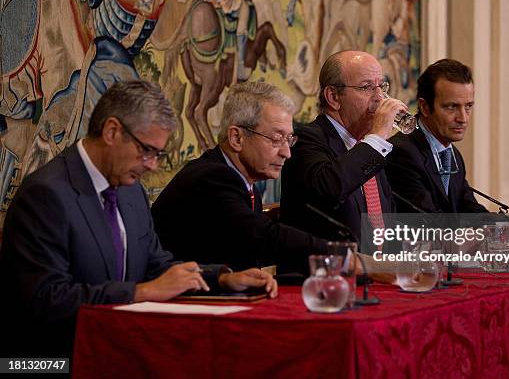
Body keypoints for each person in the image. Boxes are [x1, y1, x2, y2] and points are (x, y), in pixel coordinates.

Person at [0, 81, 276, 357]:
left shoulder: (131, 191)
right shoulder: (45, 195)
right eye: (147, 151)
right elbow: (47, 299)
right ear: (112, 131)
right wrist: (141, 292)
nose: (153, 165)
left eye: (158, 154)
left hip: (122, 349)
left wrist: (223, 279)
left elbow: (157, 265)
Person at [152, 81, 328, 274]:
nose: (287, 153)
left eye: (289, 139)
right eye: (277, 139)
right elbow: (263, 236)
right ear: (237, 138)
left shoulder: (245, 183)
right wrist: (335, 254)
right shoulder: (211, 178)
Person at [386, 59, 509, 217]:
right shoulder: (402, 153)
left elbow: (471, 213)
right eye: (452, 107)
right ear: (425, 107)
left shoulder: (451, 153)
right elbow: (431, 225)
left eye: (468, 106)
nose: (463, 118)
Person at [280, 50, 407, 243]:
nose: (380, 98)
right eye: (366, 87)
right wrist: (379, 135)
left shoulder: (370, 146)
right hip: (328, 270)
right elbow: (330, 188)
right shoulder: (305, 140)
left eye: (381, 86)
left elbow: (387, 219)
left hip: (377, 269)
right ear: (333, 97)